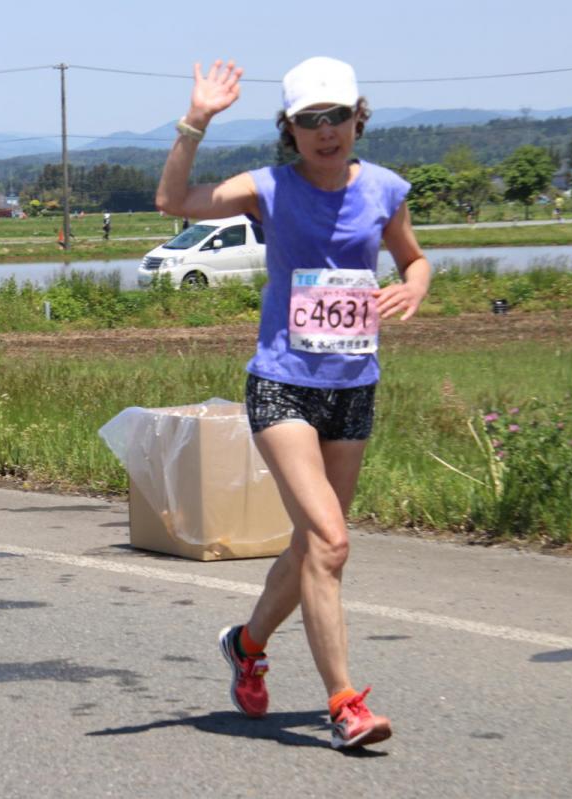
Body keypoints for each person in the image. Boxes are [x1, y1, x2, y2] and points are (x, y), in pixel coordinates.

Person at [156, 57, 430, 750]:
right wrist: (197, 120)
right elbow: (173, 202)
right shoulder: (270, 188)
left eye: (335, 116)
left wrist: (416, 285)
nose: (325, 132)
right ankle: (345, 704)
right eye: (309, 121)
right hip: (282, 384)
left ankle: (247, 644)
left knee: (313, 545)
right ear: (290, 129)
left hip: (353, 388)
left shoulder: (385, 190)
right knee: (332, 541)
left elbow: (413, 258)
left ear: (357, 117)